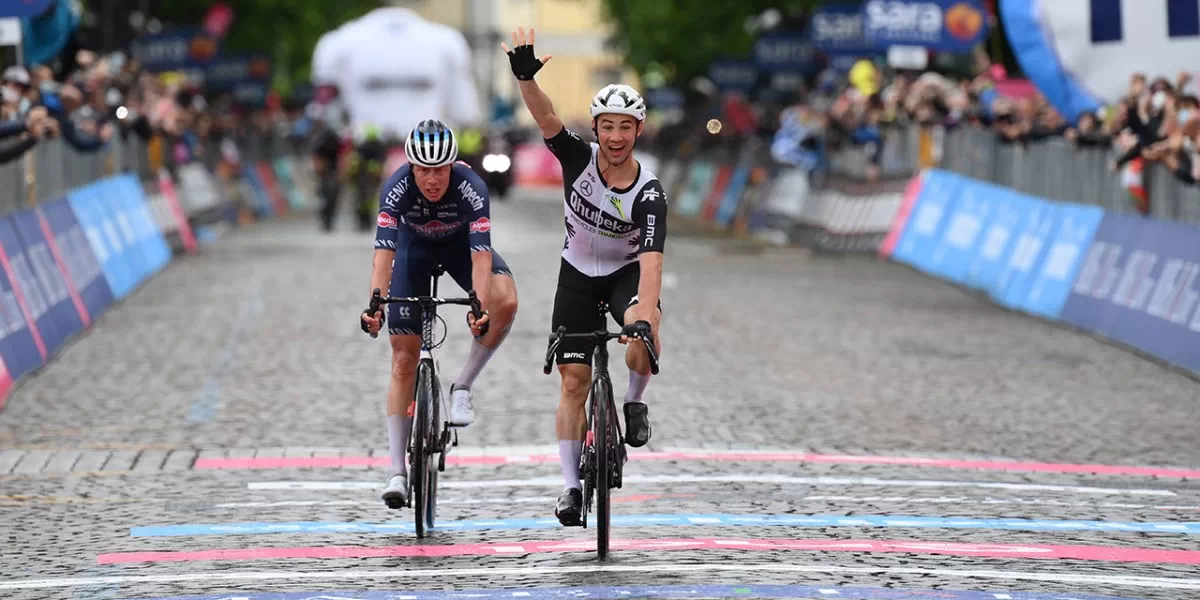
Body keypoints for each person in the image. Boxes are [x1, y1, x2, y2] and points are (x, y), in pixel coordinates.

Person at [501, 28, 668, 526]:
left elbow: (654, 263)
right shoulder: (577, 158)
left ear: (638, 131)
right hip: (575, 273)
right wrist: (526, 79)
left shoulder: (650, 193)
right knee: (573, 382)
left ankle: (634, 403)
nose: (616, 137)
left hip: (625, 273)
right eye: (607, 126)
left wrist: (643, 318)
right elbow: (544, 115)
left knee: (644, 330)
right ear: (596, 128)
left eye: (626, 127)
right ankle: (571, 486)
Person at [360, 119, 519, 507]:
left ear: (453, 166)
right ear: (411, 168)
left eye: (440, 170)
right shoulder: (395, 187)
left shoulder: (472, 187)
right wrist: (376, 305)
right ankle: (397, 471)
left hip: (460, 248)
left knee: (505, 301)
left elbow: (481, 258)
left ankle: (462, 384)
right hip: (413, 250)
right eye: (424, 170)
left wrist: (478, 306)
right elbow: (383, 255)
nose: (432, 179)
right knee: (403, 360)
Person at [310, 4, 482, 231]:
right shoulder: (446, 41)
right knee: (358, 174)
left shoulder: (339, 41)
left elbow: (324, 96)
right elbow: (465, 107)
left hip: (378, 140)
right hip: (376, 145)